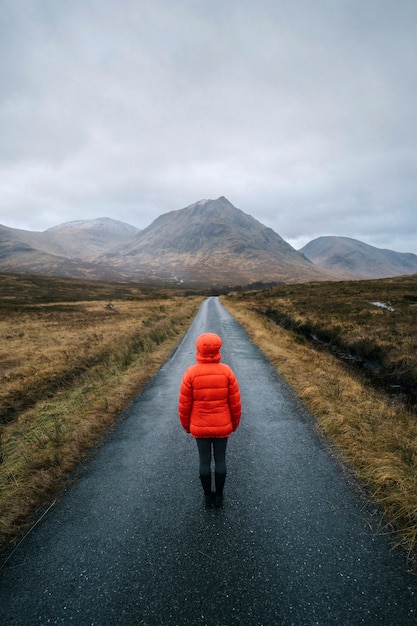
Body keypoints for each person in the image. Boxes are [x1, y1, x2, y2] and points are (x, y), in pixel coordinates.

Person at [178, 332, 241, 508]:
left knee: (204, 461)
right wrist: (234, 424)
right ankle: (219, 497)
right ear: (218, 349)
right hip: (222, 426)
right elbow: (235, 403)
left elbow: (184, 405)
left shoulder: (191, 373)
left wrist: (187, 426)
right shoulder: (226, 371)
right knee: (220, 460)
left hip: (200, 427)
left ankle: (207, 497)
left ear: (198, 349)